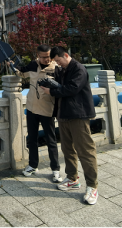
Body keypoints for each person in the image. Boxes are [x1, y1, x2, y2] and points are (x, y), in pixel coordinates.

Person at [38, 46, 99, 205]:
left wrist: (51, 91)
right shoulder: (62, 69)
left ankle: (92, 186)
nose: (58, 64)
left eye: (58, 60)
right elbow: (58, 84)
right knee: (67, 149)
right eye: (55, 62)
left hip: (78, 115)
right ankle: (72, 179)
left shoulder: (79, 69)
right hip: (64, 114)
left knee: (85, 151)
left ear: (66, 55)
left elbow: (72, 89)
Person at [11, 44, 62, 183]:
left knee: (51, 140)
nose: (47, 59)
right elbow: (22, 72)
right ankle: (33, 165)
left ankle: (56, 169)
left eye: (49, 56)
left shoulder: (56, 69)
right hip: (32, 108)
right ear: (38, 56)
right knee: (32, 138)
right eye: (43, 57)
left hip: (47, 109)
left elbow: (61, 88)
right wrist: (12, 66)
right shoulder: (33, 65)